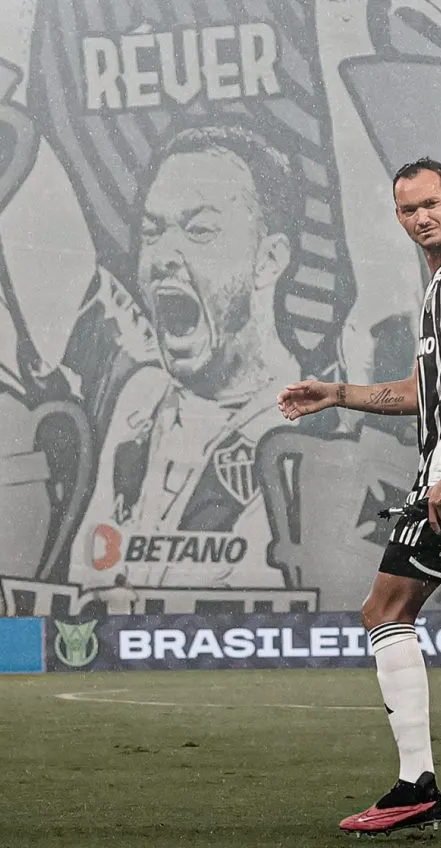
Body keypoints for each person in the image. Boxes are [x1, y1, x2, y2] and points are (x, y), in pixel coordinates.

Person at [278, 157, 441, 841]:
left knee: (385, 607)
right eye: (406, 210)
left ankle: (415, 788)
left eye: (429, 203)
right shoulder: (438, 287)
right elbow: (418, 394)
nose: (420, 217)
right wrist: (337, 393)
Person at [67, 125, 304, 610]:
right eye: (152, 232)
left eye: (200, 231)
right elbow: (87, 579)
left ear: (268, 260)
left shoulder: (312, 432)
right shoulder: (139, 398)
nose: (162, 257)